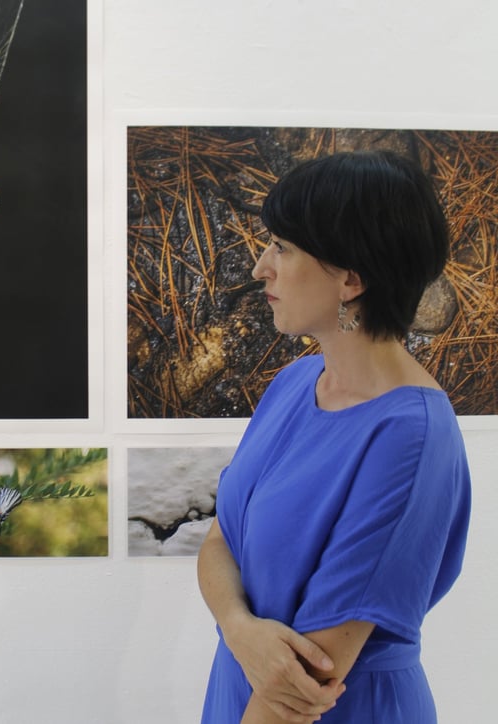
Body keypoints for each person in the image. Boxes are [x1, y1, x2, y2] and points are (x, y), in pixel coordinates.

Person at [197, 150, 471, 723]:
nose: (259, 268)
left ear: (351, 278)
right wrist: (241, 630)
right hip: (240, 686)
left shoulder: (410, 438)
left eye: (284, 248)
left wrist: (252, 650)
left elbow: (307, 681)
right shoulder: (296, 382)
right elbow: (222, 538)